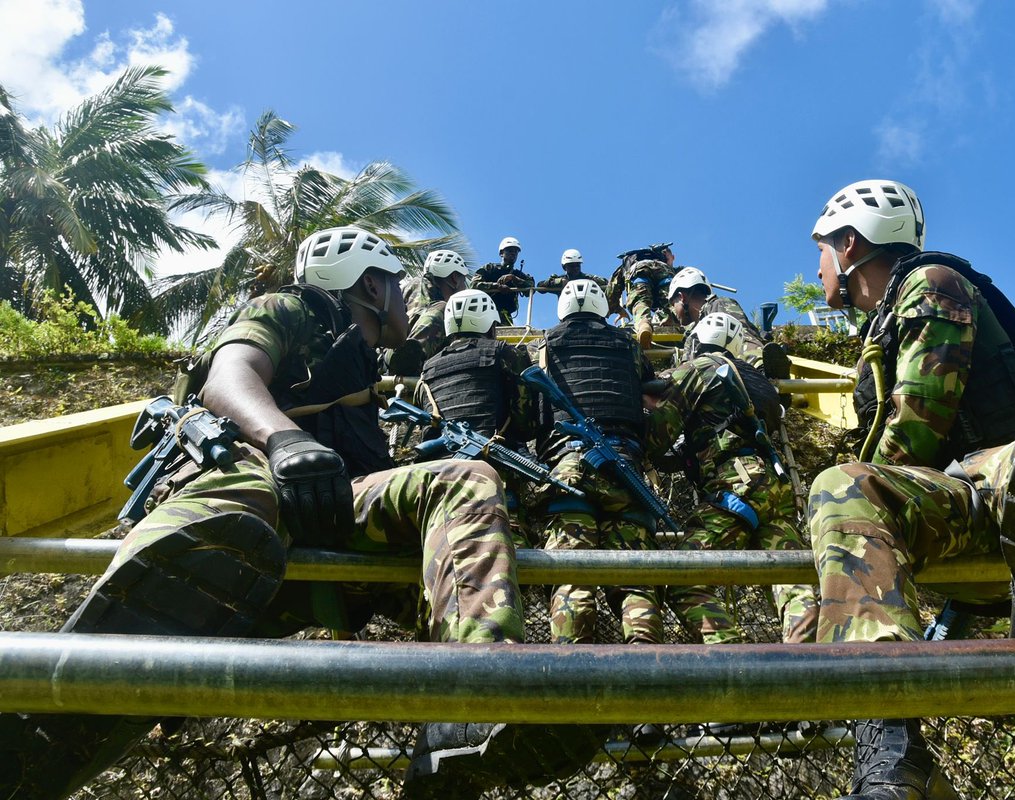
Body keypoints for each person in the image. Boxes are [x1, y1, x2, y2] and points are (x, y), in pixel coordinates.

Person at [0, 227, 595, 800]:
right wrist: (284, 440)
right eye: (394, 282)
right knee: (241, 500)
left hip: (330, 515)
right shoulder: (289, 309)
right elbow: (227, 379)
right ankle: (116, 653)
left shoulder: (367, 370)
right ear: (369, 287)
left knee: (464, 481)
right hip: (257, 495)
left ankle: (471, 706)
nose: (406, 296)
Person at [805, 180, 1015, 800]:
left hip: (1005, 490)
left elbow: (916, 426)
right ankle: (890, 744)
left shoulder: (932, 283)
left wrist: (876, 492)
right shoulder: (881, 329)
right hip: (964, 506)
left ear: (850, 243)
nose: (818, 265)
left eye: (822, 250)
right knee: (842, 486)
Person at [647, 312, 817, 646]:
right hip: (773, 485)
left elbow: (658, 435)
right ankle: (808, 662)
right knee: (791, 582)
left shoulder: (701, 367)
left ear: (694, 341)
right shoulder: (758, 382)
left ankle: (737, 661)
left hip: (735, 485)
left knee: (685, 580)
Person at [532, 279, 664, 646]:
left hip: (568, 470)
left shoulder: (544, 345)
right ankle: (647, 668)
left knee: (572, 575)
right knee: (635, 580)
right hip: (624, 469)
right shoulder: (627, 344)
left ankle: (571, 673)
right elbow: (649, 398)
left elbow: (533, 411)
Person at [417, 288, 538, 546]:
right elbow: (526, 422)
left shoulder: (428, 368)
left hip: (439, 477)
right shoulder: (504, 353)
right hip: (493, 477)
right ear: (489, 322)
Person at [667, 266, 791, 379]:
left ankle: (764, 370)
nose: (674, 311)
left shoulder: (718, 306)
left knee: (732, 333)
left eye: (673, 304)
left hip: (750, 377)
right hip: (716, 384)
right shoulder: (693, 334)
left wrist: (760, 367)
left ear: (681, 296)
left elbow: (744, 337)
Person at [381, 248, 469, 376]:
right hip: (401, 361)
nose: (465, 287)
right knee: (445, 309)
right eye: (464, 280)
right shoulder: (435, 300)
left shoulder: (410, 285)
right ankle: (409, 361)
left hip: (384, 356)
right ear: (455, 278)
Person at [604, 241, 676, 349]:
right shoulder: (661, 261)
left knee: (640, 301)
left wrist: (617, 309)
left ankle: (644, 324)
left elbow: (611, 293)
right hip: (663, 271)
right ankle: (678, 320)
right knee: (672, 301)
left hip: (638, 272)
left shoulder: (628, 263)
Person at [471, 235, 535, 325]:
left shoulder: (518, 274)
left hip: (505, 316)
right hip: (485, 314)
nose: (513, 254)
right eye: (510, 251)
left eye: (516, 252)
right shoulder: (489, 269)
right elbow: (474, 285)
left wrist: (514, 279)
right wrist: (496, 286)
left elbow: (531, 287)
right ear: (501, 253)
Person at [536, 248, 609, 295]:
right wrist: (554, 282)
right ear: (564, 267)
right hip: (568, 315)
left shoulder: (588, 278)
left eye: (577, 265)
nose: (575, 268)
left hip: (591, 314)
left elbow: (606, 283)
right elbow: (540, 287)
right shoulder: (560, 281)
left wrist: (592, 282)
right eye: (571, 266)